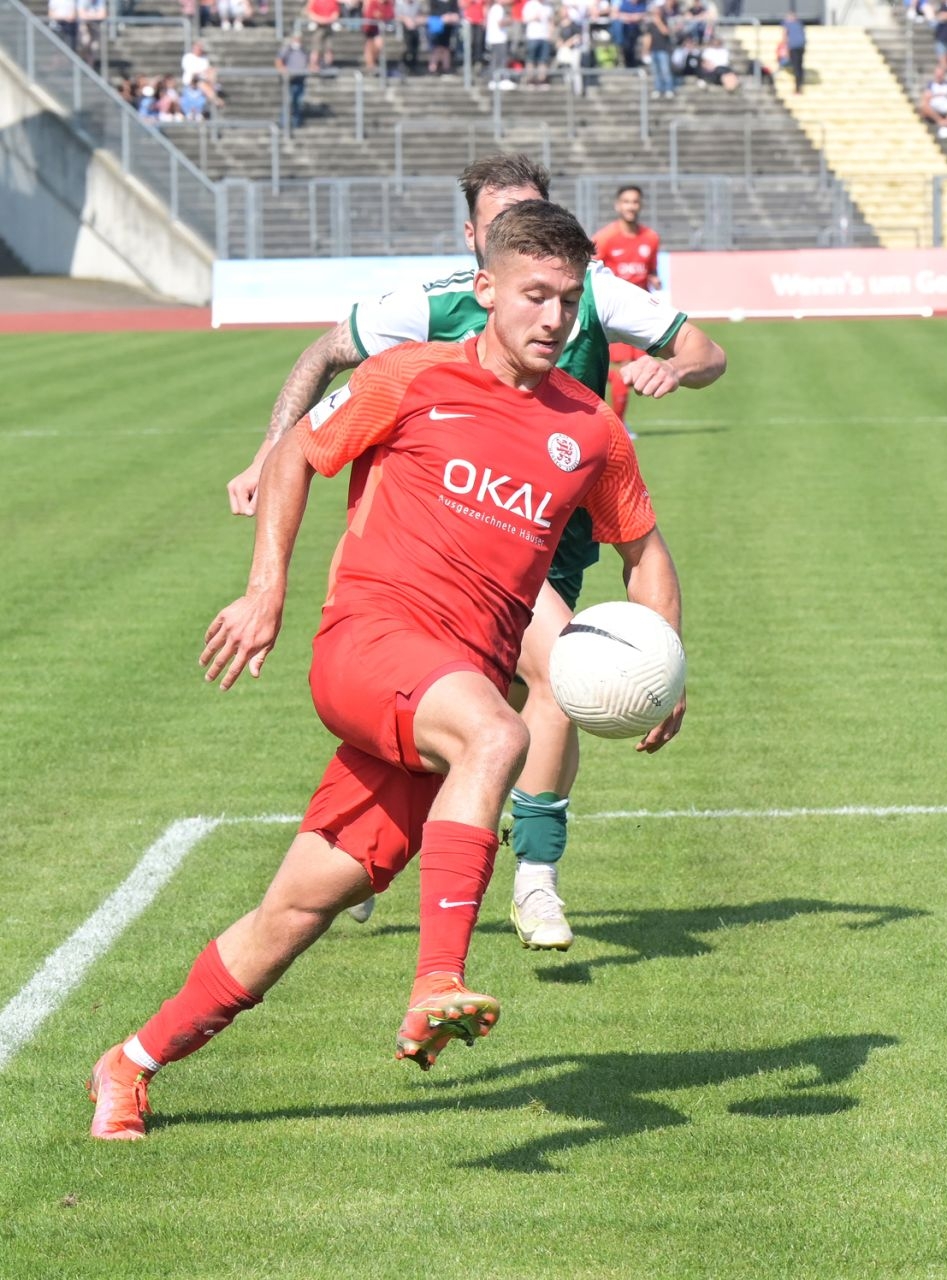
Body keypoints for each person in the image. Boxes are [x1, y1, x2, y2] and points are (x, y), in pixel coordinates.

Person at [88, 201, 683, 1142]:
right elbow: (296, 452)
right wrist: (266, 590)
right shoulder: (409, 377)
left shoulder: (593, 430)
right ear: (486, 288)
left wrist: (666, 664)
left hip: (444, 694)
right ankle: (438, 980)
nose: (554, 319)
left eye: (570, 301)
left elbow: (644, 553)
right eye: (534, 295)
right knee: (501, 733)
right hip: (368, 645)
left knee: (294, 912)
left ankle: (129, 1063)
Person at [225, 155, 726, 950]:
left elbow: (705, 353)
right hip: (449, 553)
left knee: (480, 721)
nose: (551, 309)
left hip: (552, 549)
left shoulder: (590, 296)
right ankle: (532, 883)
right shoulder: (428, 311)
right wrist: (271, 448)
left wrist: (674, 366)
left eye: (535, 217)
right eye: (503, 224)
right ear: (477, 246)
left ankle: (374, 868)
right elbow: (324, 354)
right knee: (538, 689)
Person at [595, 183, 663, 419]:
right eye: (626, 202)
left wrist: (653, 278)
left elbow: (651, 268)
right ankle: (617, 424)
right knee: (622, 370)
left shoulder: (651, 238)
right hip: (615, 312)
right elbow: (590, 270)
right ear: (618, 205)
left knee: (641, 372)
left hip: (642, 312)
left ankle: (617, 421)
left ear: (640, 205)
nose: (631, 206)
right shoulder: (605, 238)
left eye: (635, 202)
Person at [276, 34, 311, 128]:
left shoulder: (304, 50)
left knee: (298, 101)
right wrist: (283, 70)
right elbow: (279, 60)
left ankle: (296, 122)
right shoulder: (287, 49)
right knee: (287, 101)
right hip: (289, 79)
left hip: (300, 79)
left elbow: (308, 62)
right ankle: (283, 123)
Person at [921, 61, 947, 138]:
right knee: (925, 104)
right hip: (935, 104)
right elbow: (927, 95)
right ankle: (939, 121)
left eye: (941, 74)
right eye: (938, 74)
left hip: (946, 103)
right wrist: (937, 95)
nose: (939, 76)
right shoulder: (930, 85)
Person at [522, 0, 554, 86]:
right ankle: (530, 80)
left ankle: (541, 80)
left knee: (543, 60)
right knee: (531, 59)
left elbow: (551, 21)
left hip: (544, 36)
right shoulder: (530, 5)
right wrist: (534, 17)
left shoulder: (548, 6)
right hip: (533, 36)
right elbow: (524, 19)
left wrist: (550, 34)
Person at [305, 0, 341, 68]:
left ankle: (328, 66)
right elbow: (310, 13)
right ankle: (314, 66)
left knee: (329, 50)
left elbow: (336, 14)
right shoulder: (314, 1)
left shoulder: (332, 1)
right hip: (318, 27)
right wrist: (322, 20)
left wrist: (327, 20)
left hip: (329, 27)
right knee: (315, 49)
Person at [781, 9, 805, 93]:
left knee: (796, 67)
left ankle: (798, 88)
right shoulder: (799, 23)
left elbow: (785, 35)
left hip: (794, 47)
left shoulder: (788, 23)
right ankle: (799, 86)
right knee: (799, 66)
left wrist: (785, 47)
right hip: (800, 46)